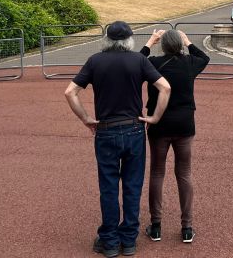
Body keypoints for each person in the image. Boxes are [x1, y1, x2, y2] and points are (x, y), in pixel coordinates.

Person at [64, 21, 172, 258]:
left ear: (107, 39)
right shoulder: (139, 60)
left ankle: (110, 241)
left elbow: (70, 92)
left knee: (109, 187)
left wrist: (86, 118)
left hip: (106, 130)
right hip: (134, 129)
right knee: (133, 186)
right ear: (129, 40)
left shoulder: (95, 61)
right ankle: (129, 240)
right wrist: (154, 118)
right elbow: (165, 87)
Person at [140, 29, 209, 245]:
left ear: (163, 45)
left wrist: (150, 41)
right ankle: (187, 227)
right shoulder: (189, 63)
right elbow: (205, 57)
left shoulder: (152, 63)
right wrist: (188, 41)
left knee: (157, 172)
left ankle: (156, 225)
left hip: (159, 123)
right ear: (179, 45)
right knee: (184, 173)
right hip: (184, 123)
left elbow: (136, 61)